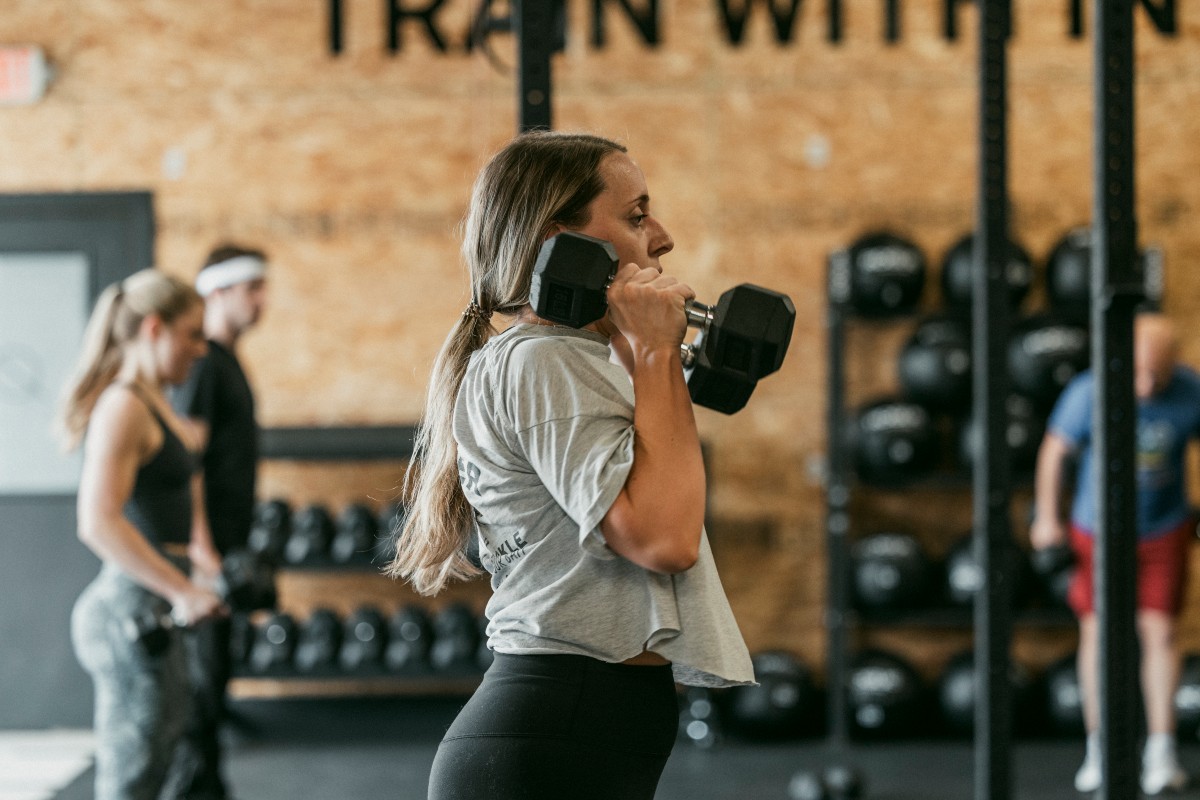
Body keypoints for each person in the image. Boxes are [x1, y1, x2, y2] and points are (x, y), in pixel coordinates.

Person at [387, 130, 754, 800]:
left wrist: (648, 355)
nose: (663, 236)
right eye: (637, 215)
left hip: (574, 730)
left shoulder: (571, 362)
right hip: (553, 735)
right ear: (564, 243)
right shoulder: (543, 359)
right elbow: (662, 539)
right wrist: (655, 352)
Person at [57, 269, 226, 800]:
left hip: (157, 605)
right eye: (192, 335)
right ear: (154, 328)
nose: (201, 349)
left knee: (164, 760)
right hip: (126, 612)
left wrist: (203, 559)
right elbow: (98, 522)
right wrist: (183, 591)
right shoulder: (123, 406)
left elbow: (186, 486)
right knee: (131, 778)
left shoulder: (157, 401)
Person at [1031, 312, 1200, 796]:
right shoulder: (1090, 391)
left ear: (1174, 364)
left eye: (1158, 375)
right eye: (1139, 373)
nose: (1146, 387)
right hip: (1097, 530)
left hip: (1163, 528)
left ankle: (1161, 752)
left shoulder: (1190, 392)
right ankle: (1099, 749)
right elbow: (1053, 451)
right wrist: (1047, 517)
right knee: (1098, 632)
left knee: (1161, 632)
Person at [170, 243, 268, 800]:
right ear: (218, 291)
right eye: (252, 289)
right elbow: (189, 466)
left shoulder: (225, 360)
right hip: (208, 553)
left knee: (215, 685)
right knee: (200, 695)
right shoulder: (204, 363)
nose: (262, 301)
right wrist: (203, 554)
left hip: (228, 542)